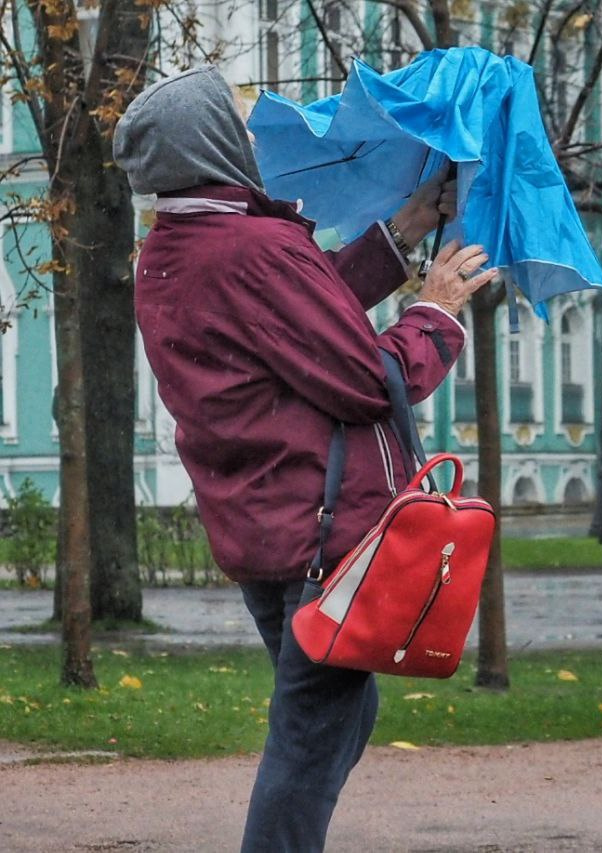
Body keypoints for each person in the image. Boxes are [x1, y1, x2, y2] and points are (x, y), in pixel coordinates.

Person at [113, 65, 498, 851]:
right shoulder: (252, 248)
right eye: (239, 123)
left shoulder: (174, 250)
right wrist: (437, 311)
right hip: (320, 535)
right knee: (308, 739)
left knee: (338, 715)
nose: (254, 138)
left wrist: (402, 232)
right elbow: (365, 380)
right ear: (215, 143)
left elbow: (294, 313)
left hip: (266, 532)